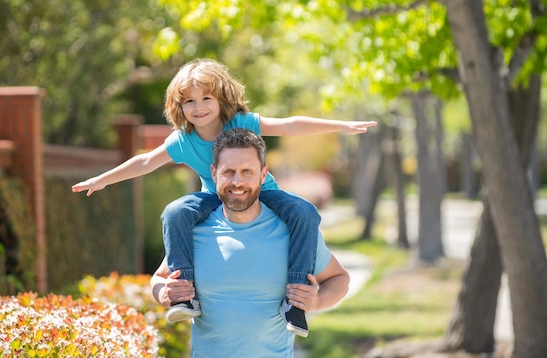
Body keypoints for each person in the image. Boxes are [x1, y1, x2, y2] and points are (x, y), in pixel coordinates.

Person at [72, 58, 374, 336]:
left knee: (304, 212)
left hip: (263, 192)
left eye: (206, 98)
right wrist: (102, 180)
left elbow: (289, 125)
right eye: (189, 101)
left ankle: (295, 301)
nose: (198, 107)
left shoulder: (241, 122)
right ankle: (185, 293)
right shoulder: (183, 140)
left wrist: (341, 126)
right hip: (215, 198)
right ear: (179, 106)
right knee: (176, 211)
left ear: (221, 98)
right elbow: (145, 161)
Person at [151, 128, 350, 357]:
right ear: (214, 173)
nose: (237, 181)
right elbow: (159, 278)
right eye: (229, 171)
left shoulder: (295, 233)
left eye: (247, 171)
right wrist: (164, 294)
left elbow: (340, 279)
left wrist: (315, 301)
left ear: (263, 175)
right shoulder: (193, 231)